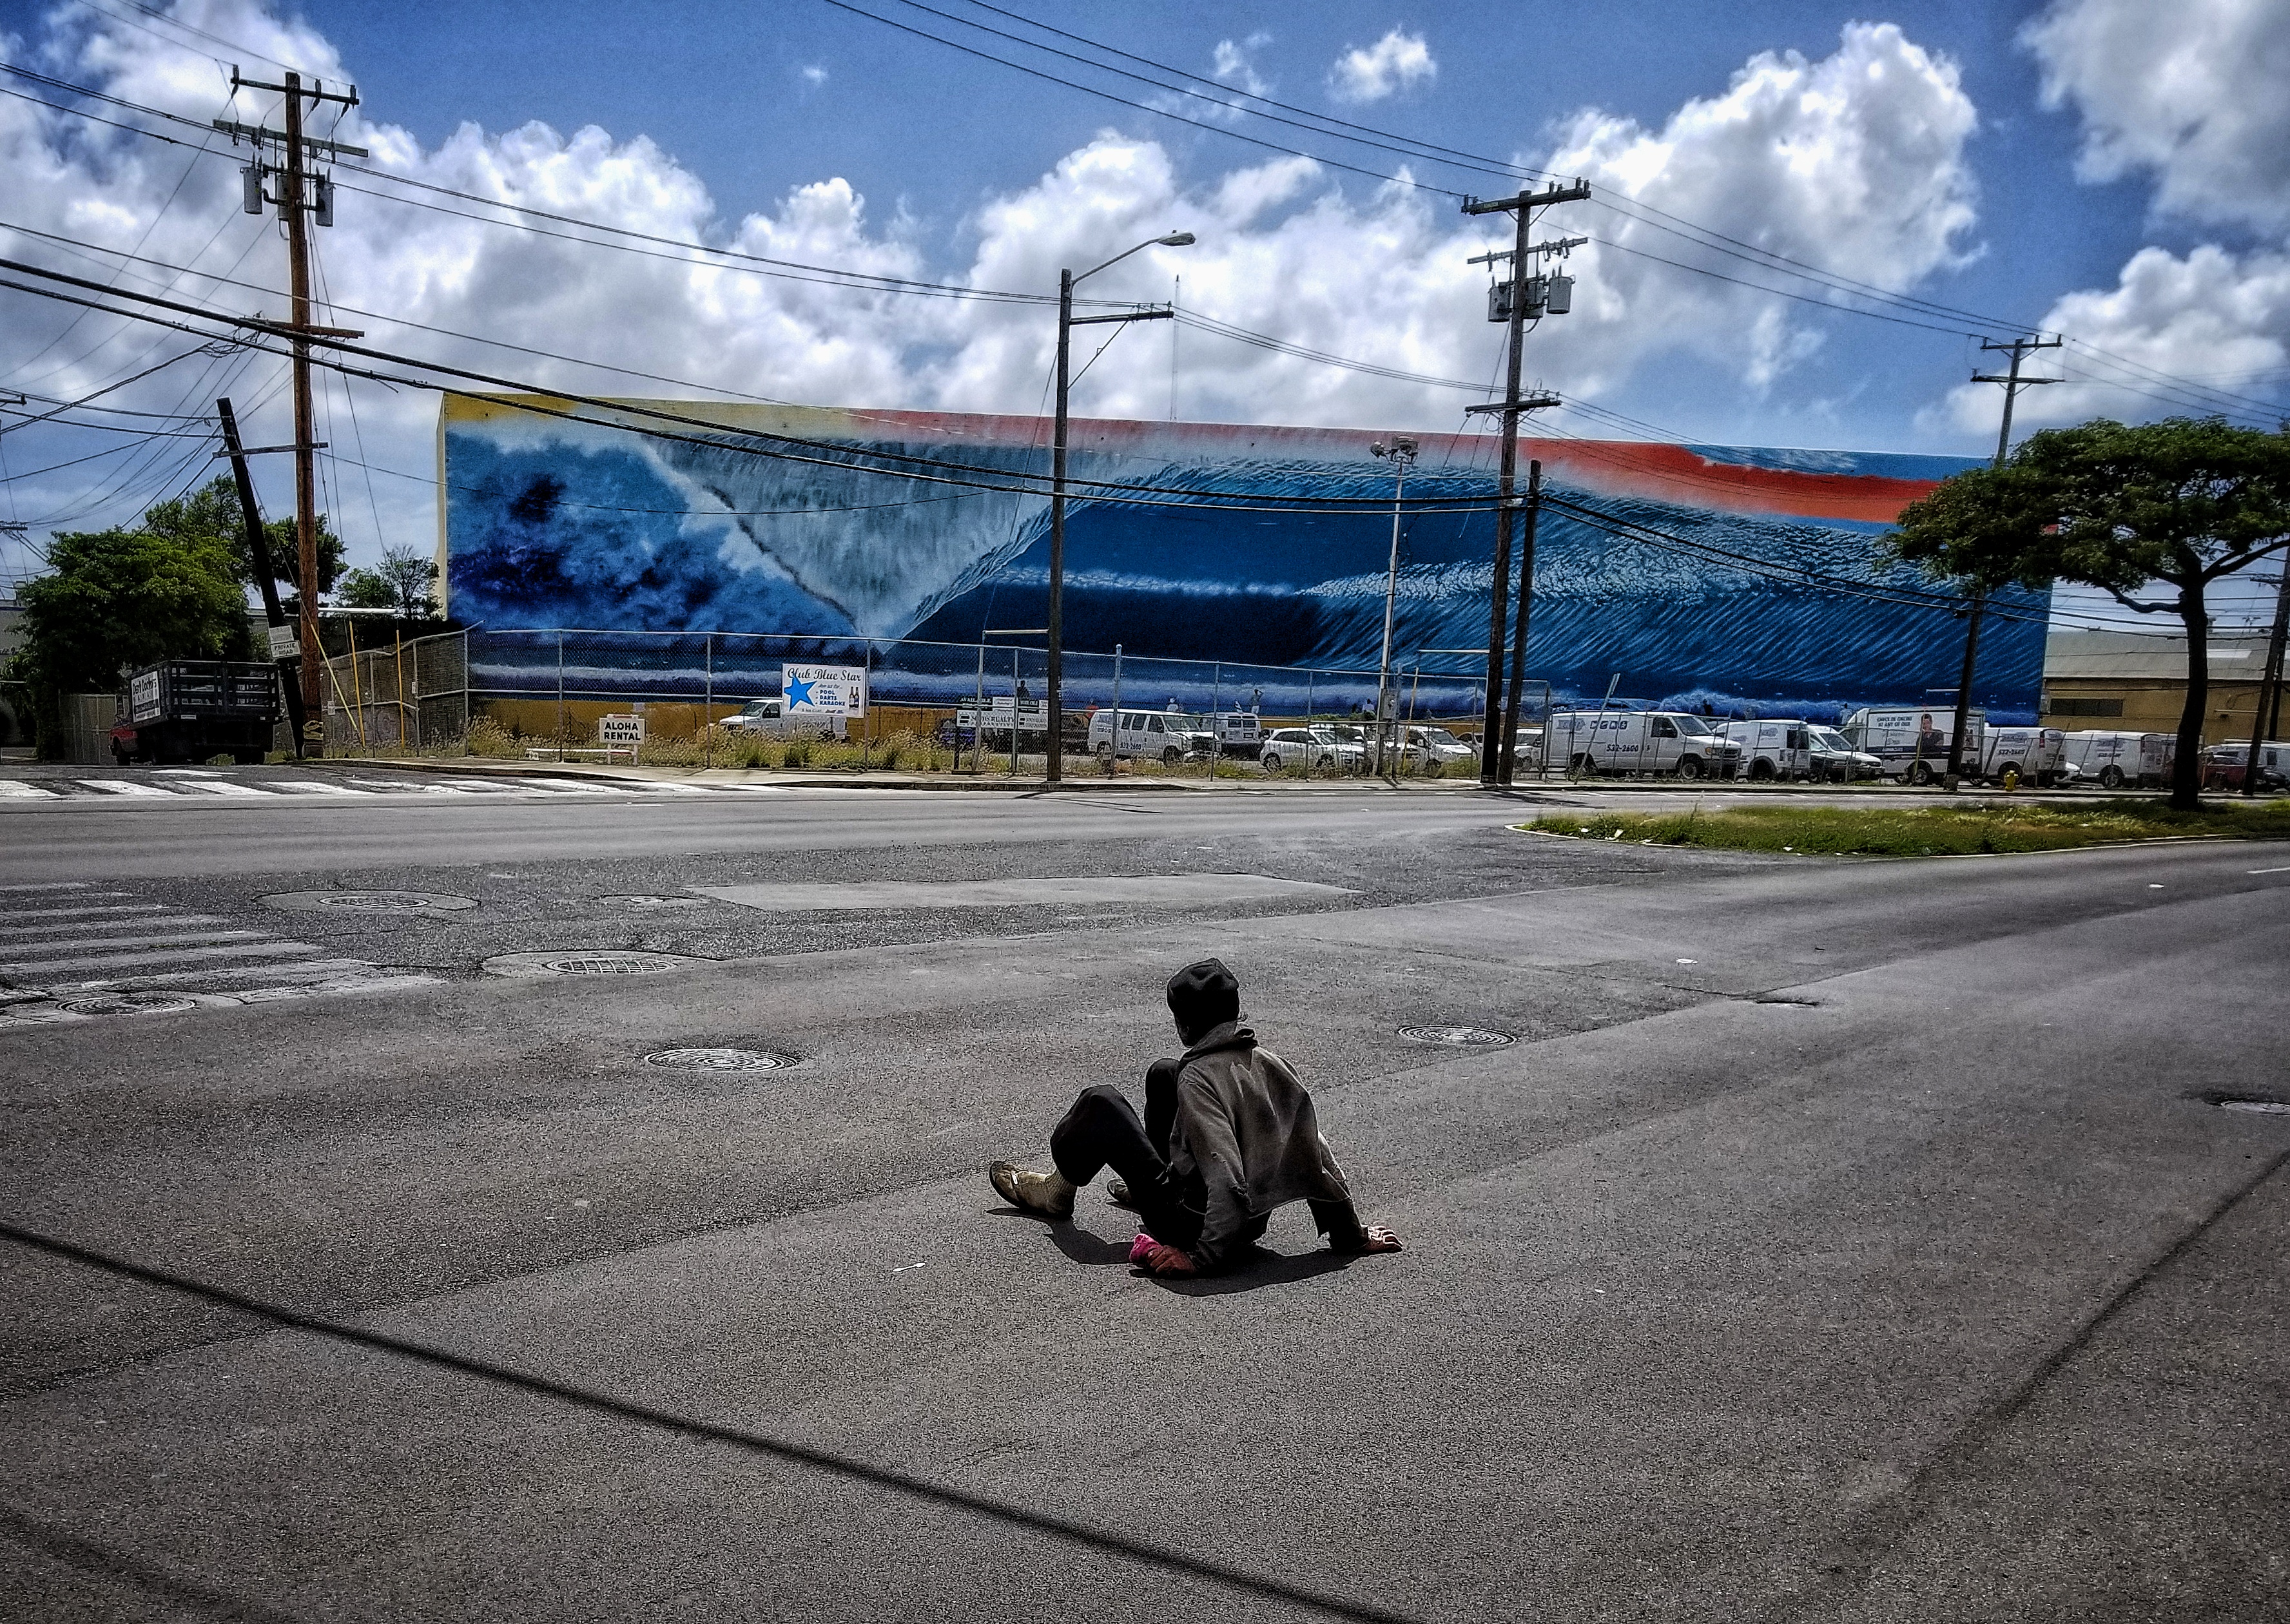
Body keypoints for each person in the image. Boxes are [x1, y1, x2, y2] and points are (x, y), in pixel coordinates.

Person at [989, 958, 1402, 1277]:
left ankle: (1056, 1191)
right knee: (1164, 1073)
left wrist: (1201, 1257)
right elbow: (1316, 1153)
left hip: (1192, 1224)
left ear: (1185, 1026)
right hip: (1248, 1222)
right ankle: (1141, 1190)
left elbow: (1228, 1177)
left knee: (1101, 1103)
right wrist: (1350, 1234)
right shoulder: (1272, 1064)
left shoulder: (1200, 1079)